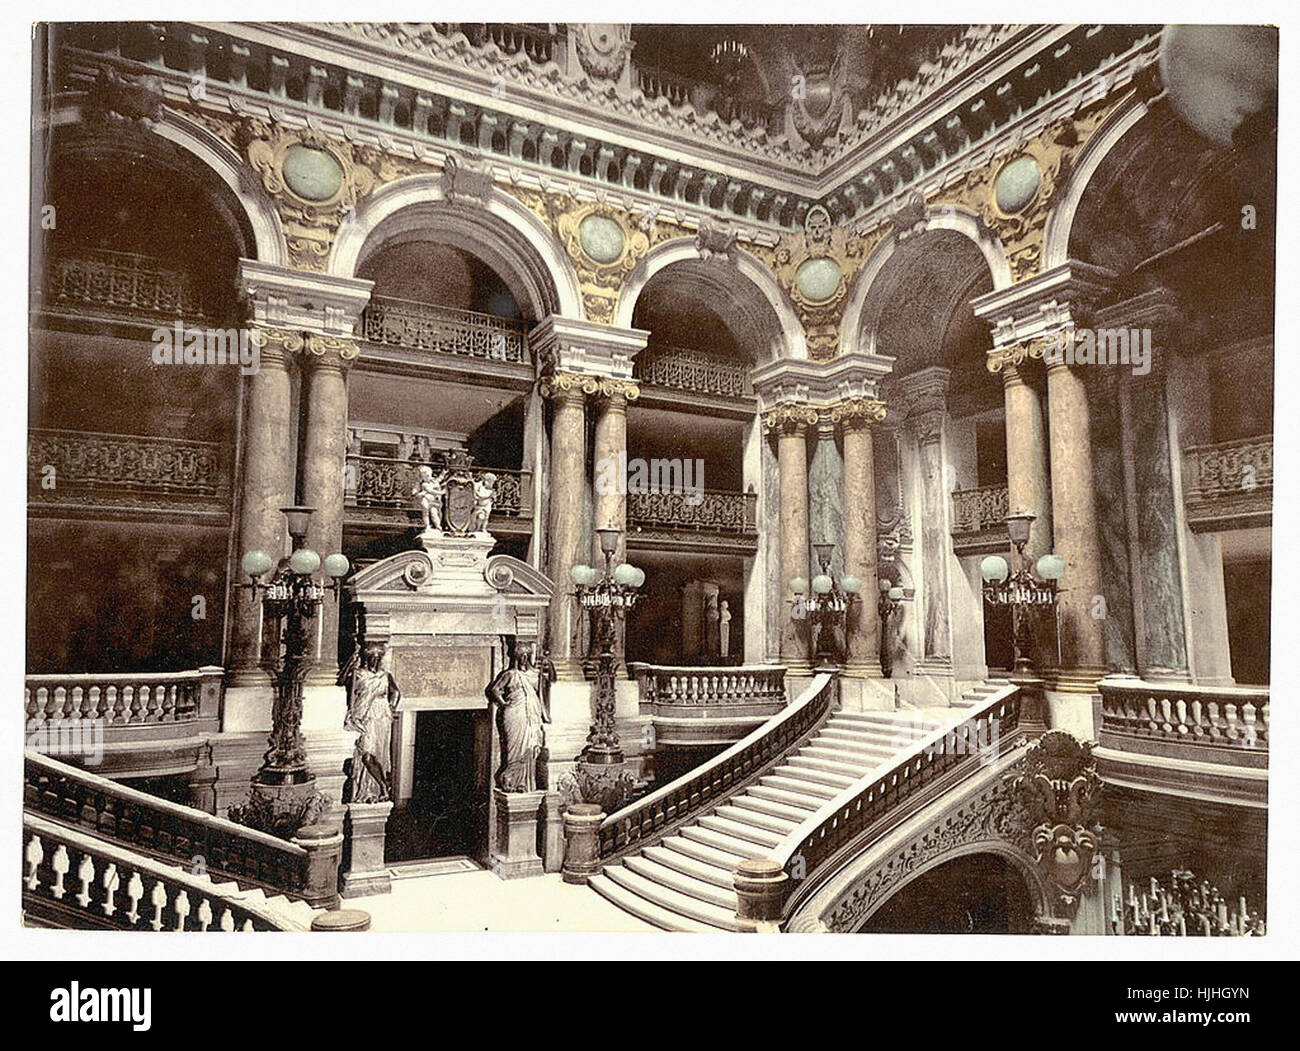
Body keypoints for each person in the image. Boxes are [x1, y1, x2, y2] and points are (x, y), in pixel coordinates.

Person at [340, 641, 401, 803]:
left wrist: (391, 708)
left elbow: (395, 692)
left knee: (377, 753)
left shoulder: (385, 675)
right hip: (364, 716)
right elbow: (347, 691)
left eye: (378, 657)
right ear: (366, 658)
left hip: (381, 715)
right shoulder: (358, 674)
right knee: (366, 755)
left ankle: (378, 788)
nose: (375, 660)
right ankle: (381, 786)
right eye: (372, 657)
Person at [487, 641, 548, 792]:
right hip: (515, 713)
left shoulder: (534, 675)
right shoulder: (510, 674)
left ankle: (524, 783)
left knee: (531, 746)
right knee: (514, 748)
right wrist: (504, 704)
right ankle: (511, 780)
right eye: (521, 656)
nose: (524, 659)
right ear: (517, 657)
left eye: (526, 656)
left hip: (532, 714)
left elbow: (541, 695)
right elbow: (495, 689)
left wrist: (544, 715)